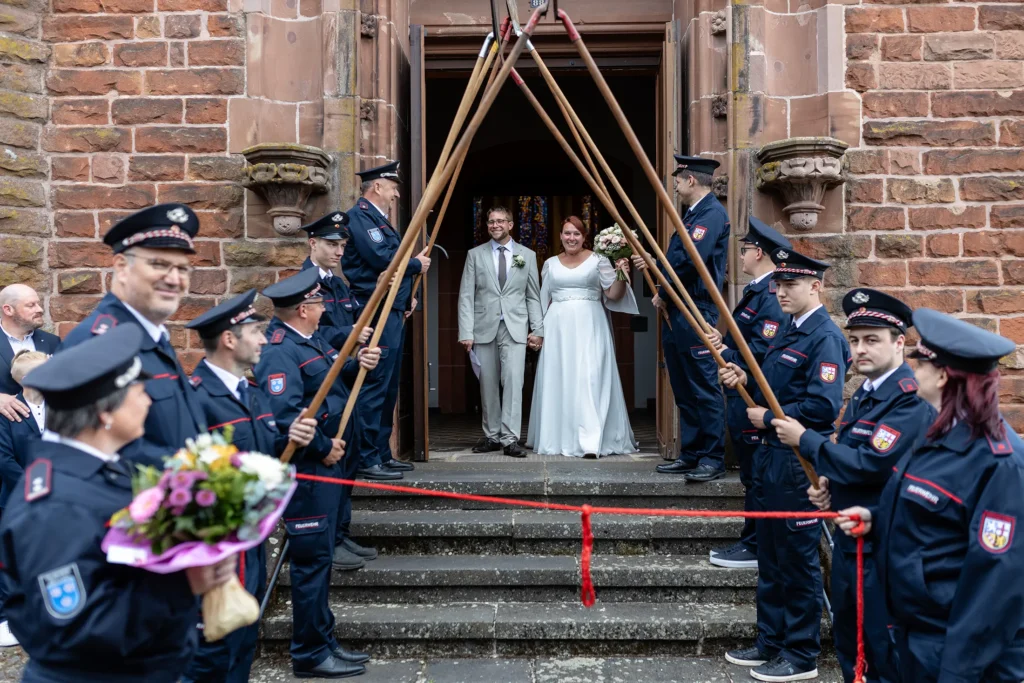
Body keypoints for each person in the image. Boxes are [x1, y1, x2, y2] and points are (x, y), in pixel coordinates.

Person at [0, 324, 236, 683]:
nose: (148, 400)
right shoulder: (55, 504)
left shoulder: (99, 473)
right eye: (137, 391)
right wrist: (187, 583)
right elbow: (77, 629)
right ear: (104, 413)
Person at [837, 309, 1024, 683]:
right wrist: (876, 522)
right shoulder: (938, 433)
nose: (911, 369)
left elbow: (995, 584)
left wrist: (956, 672)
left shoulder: (999, 461)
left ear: (942, 375)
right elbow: (934, 519)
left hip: (960, 653)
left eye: (918, 361)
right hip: (914, 636)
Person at [773, 289, 934, 683]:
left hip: (883, 551)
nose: (860, 349)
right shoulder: (864, 395)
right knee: (849, 643)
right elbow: (852, 461)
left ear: (900, 343)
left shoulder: (908, 402)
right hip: (850, 544)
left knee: (882, 652)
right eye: (856, 340)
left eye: (872, 340)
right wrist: (829, 486)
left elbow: (871, 464)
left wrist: (806, 440)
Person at [719, 247, 851, 682]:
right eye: (778, 284)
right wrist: (744, 376)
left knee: (796, 560)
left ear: (816, 287)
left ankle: (800, 654)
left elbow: (821, 406)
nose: (780, 291)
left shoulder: (824, 336)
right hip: (770, 456)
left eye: (790, 285)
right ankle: (769, 642)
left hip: (797, 460)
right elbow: (772, 379)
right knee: (772, 557)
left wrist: (770, 417)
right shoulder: (788, 330)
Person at [181, 290, 325, 683]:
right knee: (212, 657)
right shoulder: (196, 400)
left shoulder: (251, 393)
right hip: (218, 553)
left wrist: (289, 436)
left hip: (250, 549)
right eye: (256, 332)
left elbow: (266, 453)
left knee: (243, 647)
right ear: (230, 339)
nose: (264, 340)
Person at [254, 268, 380, 679]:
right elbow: (284, 418)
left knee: (321, 560)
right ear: (304, 309)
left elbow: (332, 385)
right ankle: (309, 654)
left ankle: (323, 642)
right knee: (310, 565)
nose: (324, 306)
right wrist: (324, 449)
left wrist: (359, 362)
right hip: (309, 471)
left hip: (330, 461)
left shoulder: (311, 341)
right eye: (318, 302)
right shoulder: (279, 351)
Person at [61, 203, 207, 468]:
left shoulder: (152, 336)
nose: (174, 279)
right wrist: (193, 474)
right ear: (121, 266)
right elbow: (95, 454)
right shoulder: (98, 343)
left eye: (183, 269)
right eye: (159, 264)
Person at [704, 216, 791, 569]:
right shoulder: (757, 290)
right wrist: (722, 343)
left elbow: (759, 355)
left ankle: (755, 545)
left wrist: (724, 352)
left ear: (758, 252)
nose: (738, 257)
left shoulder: (770, 296)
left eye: (743, 251)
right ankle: (751, 539)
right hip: (741, 394)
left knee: (756, 476)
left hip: (752, 396)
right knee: (750, 475)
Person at [298, 213, 381, 570]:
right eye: (332, 244)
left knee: (347, 465)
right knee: (328, 474)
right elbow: (307, 334)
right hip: (320, 388)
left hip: (344, 383)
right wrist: (348, 337)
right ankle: (328, 540)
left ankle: (341, 533)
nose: (339, 251)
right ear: (312, 243)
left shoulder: (340, 284)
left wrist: (359, 352)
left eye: (343, 245)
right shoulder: (303, 285)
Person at [342, 161, 429, 481]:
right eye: (392, 187)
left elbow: (389, 267)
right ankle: (366, 457)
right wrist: (415, 265)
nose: (395, 194)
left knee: (388, 386)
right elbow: (380, 260)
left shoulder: (378, 219)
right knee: (375, 383)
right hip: (375, 309)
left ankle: (381, 452)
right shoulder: (360, 218)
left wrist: (407, 298)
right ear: (377, 186)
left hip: (392, 309)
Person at [526, 215, 637, 458]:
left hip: (590, 325)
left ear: (585, 237)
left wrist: (621, 273)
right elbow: (543, 301)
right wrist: (537, 332)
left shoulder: (598, 260)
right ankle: (559, 436)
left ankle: (591, 441)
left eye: (576, 234)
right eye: (567, 233)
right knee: (561, 378)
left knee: (590, 378)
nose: (571, 238)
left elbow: (614, 295)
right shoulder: (550, 264)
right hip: (558, 328)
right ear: (560, 236)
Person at [651, 155, 730, 481]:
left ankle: (712, 457)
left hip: (695, 307)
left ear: (691, 180)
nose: (677, 184)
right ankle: (693, 452)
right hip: (678, 307)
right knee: (683, 385)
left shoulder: (710, 214)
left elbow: (688, 262)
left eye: (679, 179)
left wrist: (663, 291)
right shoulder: (692, 214)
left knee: (703, 385)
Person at [458, 206, 545, 458]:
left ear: (510, 224)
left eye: (500, 221)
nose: (495, 225)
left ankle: (510, 439)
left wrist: (537, 329)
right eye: (490, 222)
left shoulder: (526, 256)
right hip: (483, 327)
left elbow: (533, 296)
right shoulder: (475, 255)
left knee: (514, 382)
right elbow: (466, 295)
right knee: (487, 384)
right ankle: (492, 436)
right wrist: (466, 331)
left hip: (515, 328)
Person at [0, 349, 48, 648]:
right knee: (13, 558)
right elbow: (4, 459)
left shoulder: (62, 408)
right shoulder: (9, 413)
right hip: (17, 497)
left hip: (56, 495)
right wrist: (34, 487)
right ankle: (7, 619)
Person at [0, 284, 59, 422]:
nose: (39, 309)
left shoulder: (52, 342)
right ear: (8, 310)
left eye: (38, 304)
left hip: (46, 430)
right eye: (31, 305)